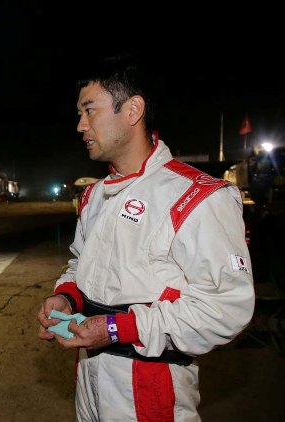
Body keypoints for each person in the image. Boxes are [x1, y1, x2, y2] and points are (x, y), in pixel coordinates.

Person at [37, 55, 255, 421]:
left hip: (150, 388)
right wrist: (66, 297)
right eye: (79, 113)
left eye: (89, 110)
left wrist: (116, 328)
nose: (80, 125)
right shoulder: (94, 196)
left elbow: (226, 308)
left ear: (133, 110)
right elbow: (79, 264)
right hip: (88, 378)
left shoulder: (197, 196)